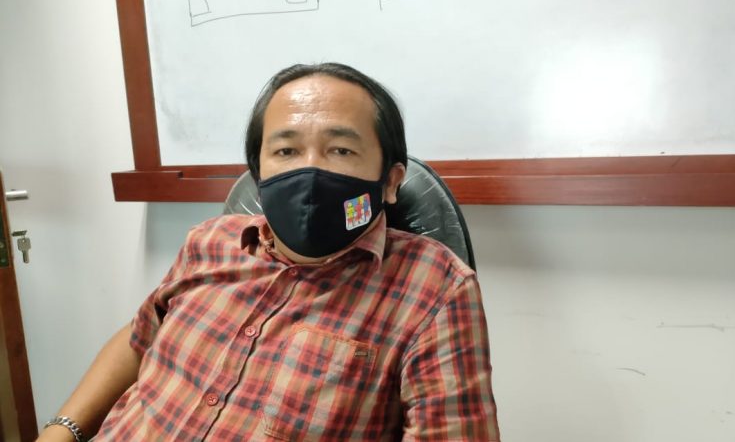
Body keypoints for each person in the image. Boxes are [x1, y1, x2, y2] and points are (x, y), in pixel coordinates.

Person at [38, 63, 499, 441]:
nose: (310, 170)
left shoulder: (435, 288)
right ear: (258, 175)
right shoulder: (209, 242)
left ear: (391, 181)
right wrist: (61, 431)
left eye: (340, 150)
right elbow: (139, 341)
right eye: (286, 150)